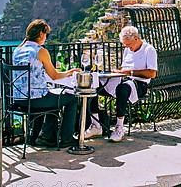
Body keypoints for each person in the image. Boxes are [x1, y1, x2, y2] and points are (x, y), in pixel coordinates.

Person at [12, 19, 80, 148]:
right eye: (46, 34)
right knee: (71, 99)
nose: (46, 38)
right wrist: (69, 72)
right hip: (35, 100)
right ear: (41, 34)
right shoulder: (40, 51)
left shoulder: (18, 50)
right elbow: (54, 76)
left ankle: (47, 137)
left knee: (53, 98)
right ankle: (66, 138)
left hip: (19, 99)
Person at [86, 26, 157, 142]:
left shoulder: (149, 50)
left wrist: (130, 72)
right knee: (92, 84)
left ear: (136, 38)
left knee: (122, 89)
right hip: (123, 78)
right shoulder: (127, 50)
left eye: (128, 44)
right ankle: (95, 125)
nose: (127, 47)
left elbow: (152, 73)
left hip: (140, 83)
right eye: (125, 45)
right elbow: (125, 67)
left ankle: (119, 127)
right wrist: (119, 71)